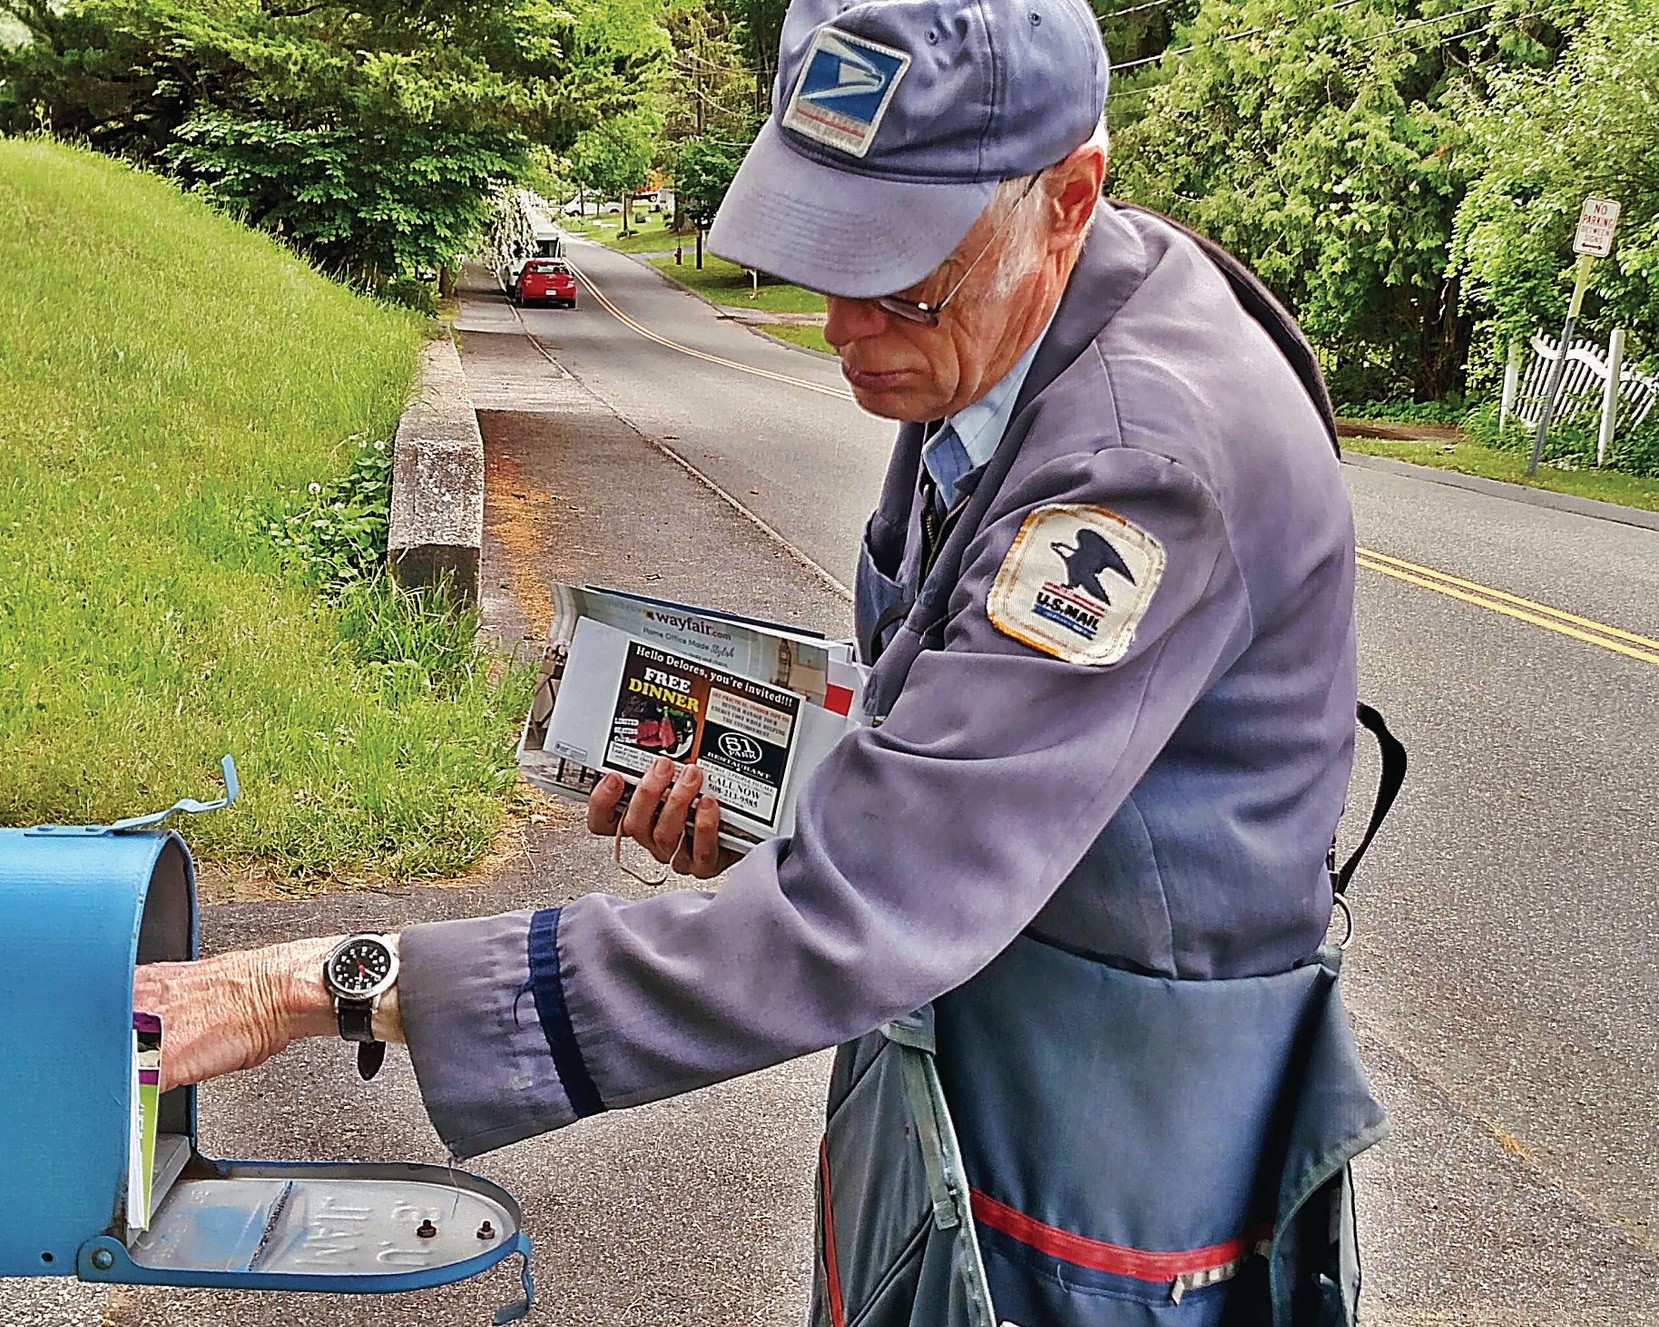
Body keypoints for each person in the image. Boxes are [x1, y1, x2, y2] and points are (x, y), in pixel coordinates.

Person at [136, 0, 1393, 1322]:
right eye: (822, 255)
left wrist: (309, 984)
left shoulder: (1138, 472)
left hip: (1103, 1169)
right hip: (959, 1062)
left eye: (900, 275)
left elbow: (866, 910)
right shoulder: (1004, 330)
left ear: (1071, 194)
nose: (847, 325)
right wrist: (768, 818)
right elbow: (946, 760)